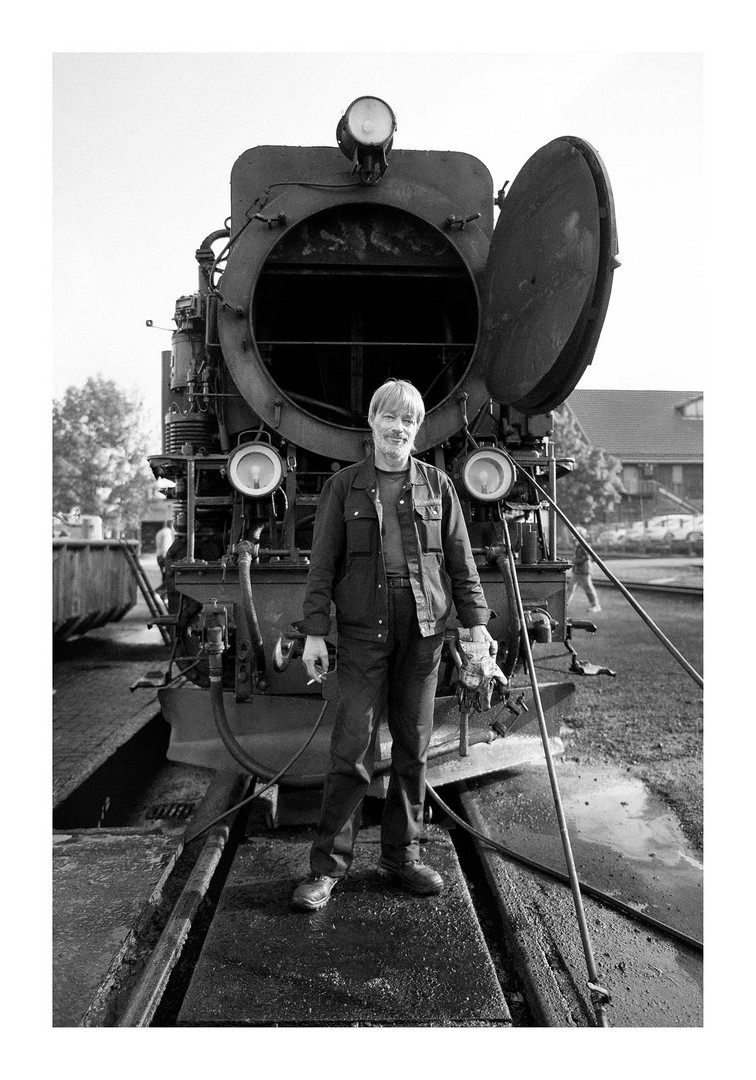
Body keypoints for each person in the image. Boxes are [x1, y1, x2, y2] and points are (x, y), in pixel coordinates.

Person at [292, 379, 495, 911]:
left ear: (417, 428)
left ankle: (401, 856)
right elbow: (322, 567)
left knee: (414, 747)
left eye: (408, 421)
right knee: (351, 748)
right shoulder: (344, 487)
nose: (398, 429)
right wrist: (315, 631)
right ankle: (326, 868)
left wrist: (476, 626)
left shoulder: (438, 486)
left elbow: (460, 560)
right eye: (390, 418)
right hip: (362, 635)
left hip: (424, 633)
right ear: (372, 421)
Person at [566, 527, 601, 613]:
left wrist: (575, 561)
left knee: (588, 588)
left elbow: (586, 557)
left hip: (583, 571)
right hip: (577, 571)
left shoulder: (583, 545)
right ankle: (564, 605)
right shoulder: (578, 545)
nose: (573, 537)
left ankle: (595, 605)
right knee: (570, 588)